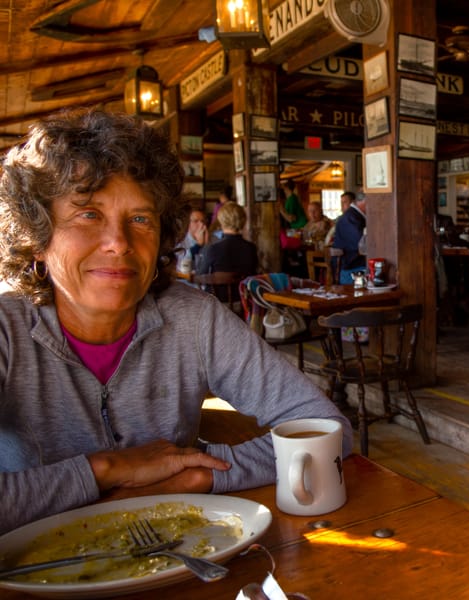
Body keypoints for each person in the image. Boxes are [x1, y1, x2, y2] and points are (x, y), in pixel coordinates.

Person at [0, 108, 352, 535]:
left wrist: (197, 477)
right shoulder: (7, 329)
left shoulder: (193, 318)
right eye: (88, 214)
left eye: (140, 219)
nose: (118, 243)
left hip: (177, 550)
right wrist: (105, 469)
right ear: (37, 238)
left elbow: (328, 427)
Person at [195, 202, 259, 301]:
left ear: (221, 221)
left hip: (217, 303)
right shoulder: (251, 248)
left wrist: (204, 246)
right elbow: (252, 275)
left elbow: (200, 274)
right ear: (243, 220)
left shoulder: (213, 248)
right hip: (243, 301)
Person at [332, 191, 367, 284]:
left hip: (358, 265)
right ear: (366, 202)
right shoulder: (350, 218)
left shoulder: (354, 216)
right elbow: (363, 246)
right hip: (352, 270)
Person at [176, 208, 208, 275]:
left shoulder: (210, 238)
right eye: (196, 221)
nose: (201, 224)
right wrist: (198, 245)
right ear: (188, 223)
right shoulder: (181, 240)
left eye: (203, 221)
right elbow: (182, 266)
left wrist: (207, 246)